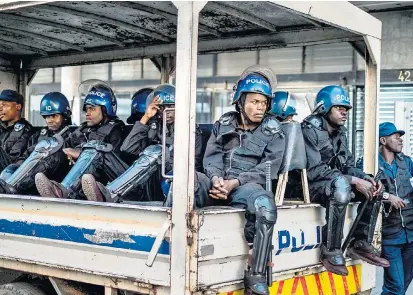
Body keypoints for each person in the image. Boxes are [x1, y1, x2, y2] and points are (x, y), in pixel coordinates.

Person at [194, 66, 285, 295]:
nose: (260, 107)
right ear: (241, 101)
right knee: (188, 181)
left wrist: (234, 183)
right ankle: (174, 247)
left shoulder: (273, 131)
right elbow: (211, 157)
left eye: (264, 103)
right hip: (217, 184)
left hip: (245, 189)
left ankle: (256, 276)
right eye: (255, 102)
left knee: (265, 204)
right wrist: (215, 179)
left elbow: (268, 168)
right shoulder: (223, 124)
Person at [302, 85, 389, 276]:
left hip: (331, 182)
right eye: (339, 107)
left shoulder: (339, 133)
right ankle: (331, 250)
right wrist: (352, 180)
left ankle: (359, 242)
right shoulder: (309, 130)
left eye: (346, 109)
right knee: (342, 185)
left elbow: (346, 164)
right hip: (308, 185)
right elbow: (314, 170)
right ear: (324, 108)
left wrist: (364, 178)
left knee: (376, 186)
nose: (344, 112)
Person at [80, 84, 204, 203]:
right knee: (98, 148)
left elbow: (193, 166)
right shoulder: (154, 126)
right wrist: (146, 117)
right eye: (161, 107)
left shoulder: (191, 131)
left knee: (157, 151)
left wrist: (160, 158)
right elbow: (128, 148)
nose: (166, 111)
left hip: (165, 187)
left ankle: (109, 193)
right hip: (138, 185)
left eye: (170, 106)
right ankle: (66, 190)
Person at [34, 83, 126, 199]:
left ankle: (63, 190)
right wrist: (67, 154)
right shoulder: (83, 128)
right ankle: (18, 183)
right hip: (82, 180)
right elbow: (67, 146)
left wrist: (81, 154)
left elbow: (111, 161)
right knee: (52, 147)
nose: (87, 113)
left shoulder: (115, 130)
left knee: (95, 148)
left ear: (105, 109)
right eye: (87, 109)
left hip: (105, 179)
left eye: (92, 109)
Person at [0, 92, 73, 194]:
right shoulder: (39, 135)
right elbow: (25, 157)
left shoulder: (73, 135)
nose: (50, 120)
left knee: (50, 145)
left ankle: (10, 187)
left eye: (54, 116)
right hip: (26, 176)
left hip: (53, 177)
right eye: (47, 117)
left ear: (65, 115)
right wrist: (14, 169)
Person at [377, 122, 413, 295]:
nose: (400, 140)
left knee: (403, 285)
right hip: (390, 235)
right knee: (395, 288)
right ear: (383, 140)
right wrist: (387, 197)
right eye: (396, 136)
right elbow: (361, 192)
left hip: (411, 234)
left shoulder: (406, 162)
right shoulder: (370, 162)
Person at [0, 89, 33, 170]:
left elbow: (13, 160)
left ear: (18, 107)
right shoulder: (1, 128)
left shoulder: (27, 131)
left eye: (4, 105)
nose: (0, 108)